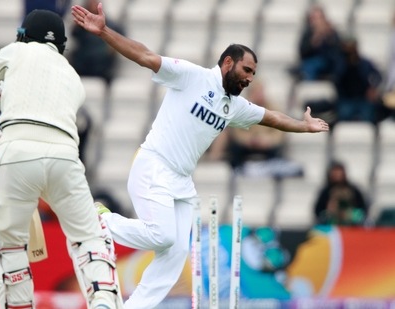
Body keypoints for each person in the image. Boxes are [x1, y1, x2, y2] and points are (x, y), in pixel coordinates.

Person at [71, 4, 330, 308]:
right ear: (228, 62)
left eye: (253, 74)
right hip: (154, 165)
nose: (249, 79)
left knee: (176, 253)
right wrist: (103, 31)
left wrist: (303, 125)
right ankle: (99, 220)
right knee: (162, 236)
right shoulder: (191, 76)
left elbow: (271, 118)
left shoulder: (233, 105)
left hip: (181, 181)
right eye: (246, 70)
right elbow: (144, 56)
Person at [0, 10, 121, 309]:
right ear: (61, 45)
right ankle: (104, 301)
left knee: (6, 241)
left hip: (17, 154)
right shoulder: (73, 76)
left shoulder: (17, 51)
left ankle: (19, 304)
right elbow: (42, 107)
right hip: (65, 159)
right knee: (90, 236)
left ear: (24, 35)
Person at [68, 0, 124, 85]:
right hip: (83, 62)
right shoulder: (81, 25)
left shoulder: (111, 25)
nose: (93, 6)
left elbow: (121, 38)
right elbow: (74, 35)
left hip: (102, 64)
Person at [331, 35, 384, 125]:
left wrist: (373, 88)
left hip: (363, 99)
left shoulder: (364, 63)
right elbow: (337, 78)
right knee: (343, 116)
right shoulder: (339, 63)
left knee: (369, 116)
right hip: (346, 99)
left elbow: (378, 76)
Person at [290, 4, 342, 81]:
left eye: (318, 18)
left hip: (328, 61)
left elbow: (336, 50)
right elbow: (302, 51)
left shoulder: (331, 32)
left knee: (311, 66)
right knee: (308, 66)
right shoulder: (308, 33)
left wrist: (327, 37)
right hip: (311, 60)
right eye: (313, 18)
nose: (315, 21)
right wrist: (314, 41)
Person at [313, 161, 368, 226]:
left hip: (351, 221)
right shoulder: (326, 191)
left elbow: (362, 208)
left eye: (339, 172)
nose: (338, 175)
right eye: (335, 172)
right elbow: (318, 210)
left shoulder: (353, 190)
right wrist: (329, 209)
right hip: (332, 221)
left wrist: (350, 212)